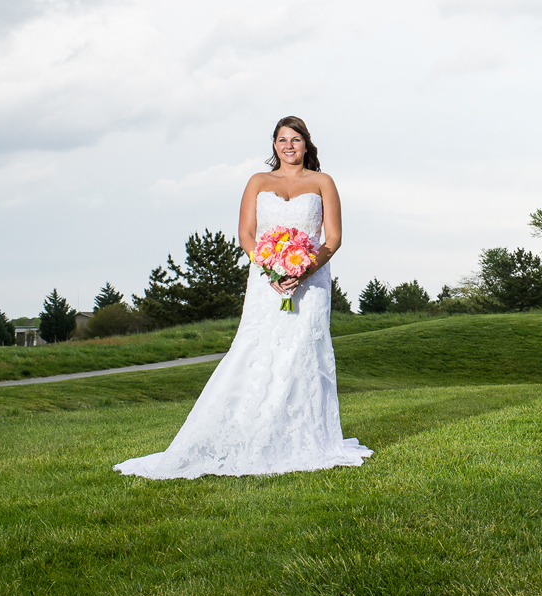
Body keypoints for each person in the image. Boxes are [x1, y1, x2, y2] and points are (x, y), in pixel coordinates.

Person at [114, 116, 373, 479]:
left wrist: (302, 270)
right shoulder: (257, 182)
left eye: (295, 140)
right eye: (282, 139)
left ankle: (303, 436)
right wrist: (272, 271)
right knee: (258, 352)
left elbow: (333, 239)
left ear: (306, 144)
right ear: (274, 145)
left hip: (311, 283)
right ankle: (250, 429)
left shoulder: (322, 182)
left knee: (302, 353)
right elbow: (246, 235)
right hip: (265, 283)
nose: (288, 146)